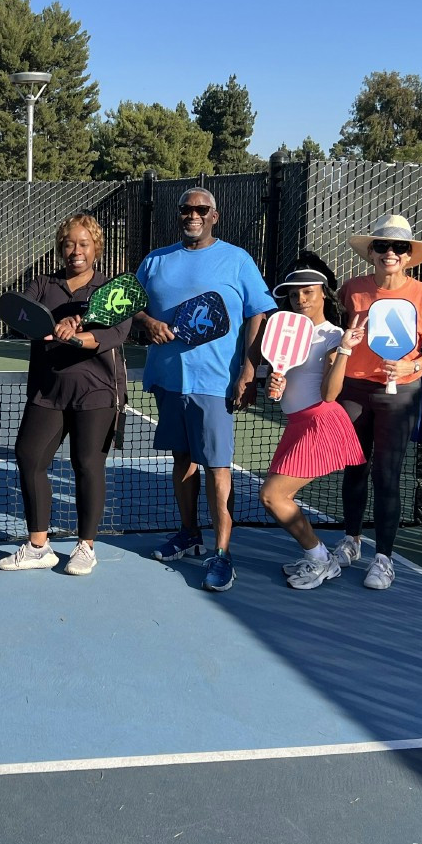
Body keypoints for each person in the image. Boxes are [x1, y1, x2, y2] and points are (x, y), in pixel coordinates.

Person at [135, 187, 273, 592]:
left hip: (216, 383)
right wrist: (148, 322)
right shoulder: (156, 259)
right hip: (169, 379)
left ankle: (223, 553)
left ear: (214, 216)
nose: (192, 215)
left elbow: (258, 313)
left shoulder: (237, 259)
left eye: (201, 209)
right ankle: (189, 533)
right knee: (183, 459)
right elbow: (131, 302)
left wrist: (249, 369)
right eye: (185, 209)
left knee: (217, 469)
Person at [0, 212, 132, 577]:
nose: (76, 250)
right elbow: (19, 315)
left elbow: (113, 335)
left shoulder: (112, 289)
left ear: (96, 248)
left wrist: (77, 335)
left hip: (97, 392)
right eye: (69, 243)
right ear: (60, 248)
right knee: (29, 456)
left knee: (87, 465)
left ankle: (85, 546)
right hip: (48, 390)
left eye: (84, 244)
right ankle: (39, 546)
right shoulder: (43, 284)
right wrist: (41, 329)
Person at [333, 214, 422, 591]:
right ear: (371, 252)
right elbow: (335, 331)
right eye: (383, 246)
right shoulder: (352, 289)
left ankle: (383, 558)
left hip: (400, 394)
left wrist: (411, 364)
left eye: (399, 247)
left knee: (387, 474)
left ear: (409, 255)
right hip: (353, 390)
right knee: (354, 468)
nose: (390, 253)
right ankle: (351, 541)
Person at [258, 264, 367, 590]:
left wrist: (344, 349)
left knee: (273, 496)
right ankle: (318, 556)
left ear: (323, 294)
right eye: (294, 294)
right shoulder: (285, 335)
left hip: (320, 422)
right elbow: (278, 390)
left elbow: (331, 394)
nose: (300, 299)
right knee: (277, 497)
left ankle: (321, 559)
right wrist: (274, 386)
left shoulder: (334, 335)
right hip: (298, 422)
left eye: (308, 292)